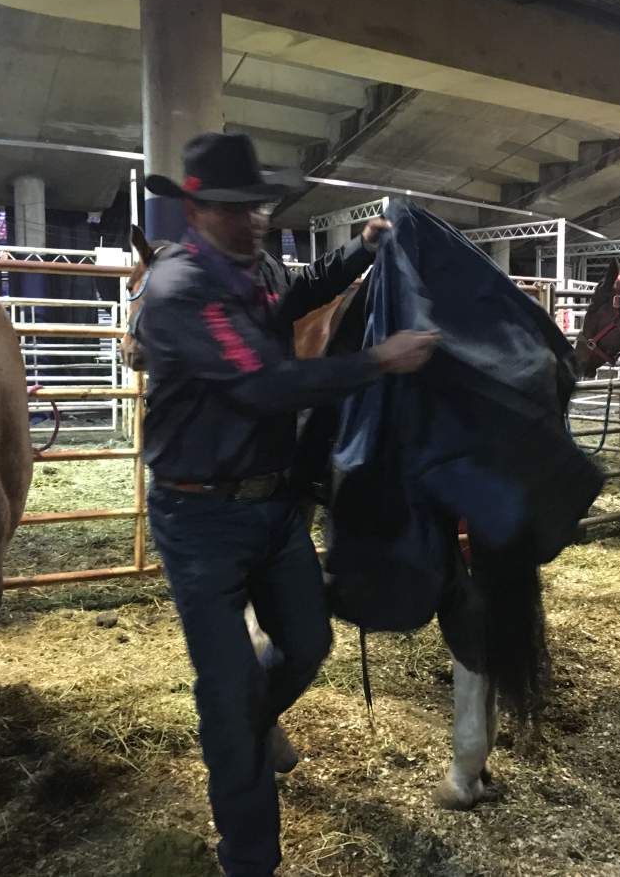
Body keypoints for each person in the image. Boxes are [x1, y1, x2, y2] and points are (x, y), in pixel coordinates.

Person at [134, 132, 438, 876]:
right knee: (228, 696)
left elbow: (292, 294)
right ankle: (250, 858)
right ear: (199, 210)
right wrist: (377, 362)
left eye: (259, 205)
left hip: (272, 504)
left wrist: (361, 250)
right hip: (200, 517)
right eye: (239, 209)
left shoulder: (255, 263)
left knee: (308, 644)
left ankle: (251, 722)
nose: (257, 219)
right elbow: (265, 383)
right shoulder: (178, 291)